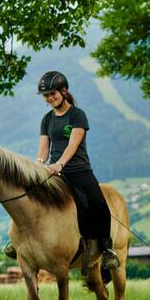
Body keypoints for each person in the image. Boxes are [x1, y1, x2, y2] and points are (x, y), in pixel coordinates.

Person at [31, 70, 120, 270]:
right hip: (54, 171)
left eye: (52, 93)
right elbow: (43, 151)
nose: (49, 98)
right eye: (46, 95)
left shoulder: (77, 115)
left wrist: (60, 164)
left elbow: (72, 145)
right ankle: (22, 241)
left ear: (64, 91)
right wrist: (38, 167)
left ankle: (107, 250)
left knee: (98, 204)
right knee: (32, 197)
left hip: (79, 170)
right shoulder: (46, 119)